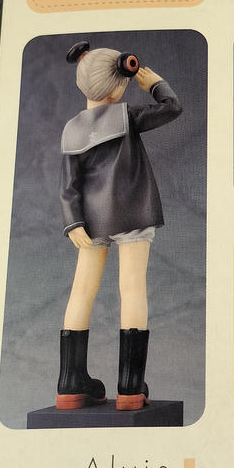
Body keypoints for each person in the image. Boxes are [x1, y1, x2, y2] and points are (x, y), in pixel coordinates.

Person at [55, 41, 182, 411]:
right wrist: (155, 83)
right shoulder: (128, 116)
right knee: (132, 290)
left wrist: (73, 222)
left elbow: (68, 185)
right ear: (119, 85)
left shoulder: (71, 130)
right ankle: (130, 385)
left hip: (90, 222)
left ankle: (69, 381)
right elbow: (172, 107)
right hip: (132, 214)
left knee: (81, 293)